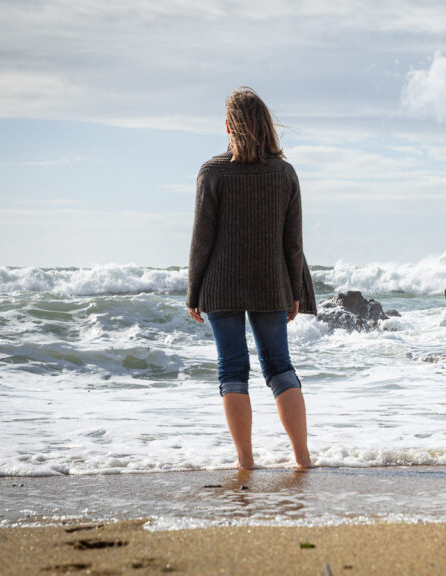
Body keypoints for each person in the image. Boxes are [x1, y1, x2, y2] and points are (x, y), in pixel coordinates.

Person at [186, 86, 317, 471]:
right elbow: (293, 242)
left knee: (232, 371)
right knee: (279, 367)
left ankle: (246, 462)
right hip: (270, 282)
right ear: (265, 126)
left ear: (229, 127)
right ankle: (303, 458)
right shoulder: (284, 173)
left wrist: (193, 292)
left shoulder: (212, 172)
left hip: (220, 284)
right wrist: (296, 290)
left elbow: (201, 240)